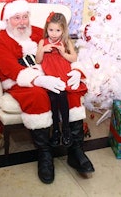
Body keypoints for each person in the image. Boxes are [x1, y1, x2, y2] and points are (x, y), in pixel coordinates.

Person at [0, 0, 94, 184]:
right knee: (37, 95)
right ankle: (45, 154)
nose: (22, 22)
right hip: (19, 81)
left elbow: (65, 47)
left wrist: (77, 71)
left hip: (50, 73)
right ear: (7, 20)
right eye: (16, 18)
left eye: (25, 17)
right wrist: (38, 79)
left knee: (70, 90)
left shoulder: (39, 31)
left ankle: (75, 149)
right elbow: (9, 69)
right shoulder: (0, 40)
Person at [35, 12, 88, 148]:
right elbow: (38, 60)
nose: (54, 33)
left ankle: (65, 129)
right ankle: (56, 130)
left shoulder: (66, 41)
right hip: (50, 77)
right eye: (51, 30)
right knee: (52, 98)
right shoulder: (42, 42)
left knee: (62, 94)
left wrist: (63, 53)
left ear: (63, 30)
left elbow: (74, 59)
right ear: (46, 29)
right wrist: (43, 50)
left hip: (62, 74)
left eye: (58, 30)